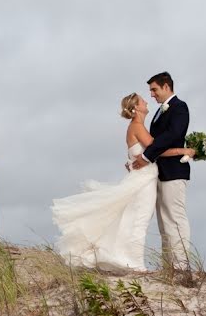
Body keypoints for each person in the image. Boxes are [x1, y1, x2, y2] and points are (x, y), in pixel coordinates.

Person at [51, 91, 194, 270]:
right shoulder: (137, 127)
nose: (147, 102)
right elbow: (156, 149)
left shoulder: (138, 126)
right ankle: (134, 263)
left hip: (146, 178)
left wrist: (133, 160)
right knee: (140, 220)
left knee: (135, 218)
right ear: (136, 108)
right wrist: (184, 151)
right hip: (144, 181)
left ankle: (128, 259)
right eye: (143, 101)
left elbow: (146, 151)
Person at [131, 71, 191, 269]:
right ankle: (169, 267)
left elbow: (172, 135)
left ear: (166, 87)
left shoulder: (179, 107)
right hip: (159, 173)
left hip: (174, 172)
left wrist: (147, 157)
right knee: (164, 223)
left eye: (154, 89)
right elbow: (154, 141)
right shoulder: (159, 111)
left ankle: (181, 265)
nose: (152, 95)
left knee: (175, 219)